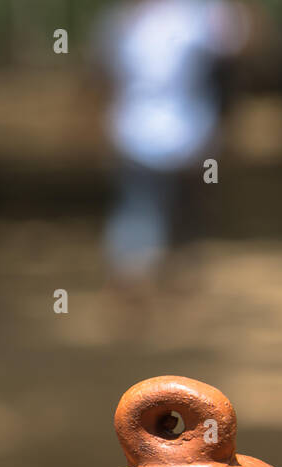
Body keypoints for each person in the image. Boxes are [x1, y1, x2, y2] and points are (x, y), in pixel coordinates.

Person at [95, 0, 249, 280]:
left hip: (165, 139)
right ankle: (151, 285)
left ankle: (152, 283)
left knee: (152, 222)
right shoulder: (195, 17)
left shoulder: (128, 19)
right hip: (173, 139)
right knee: (158, 222)